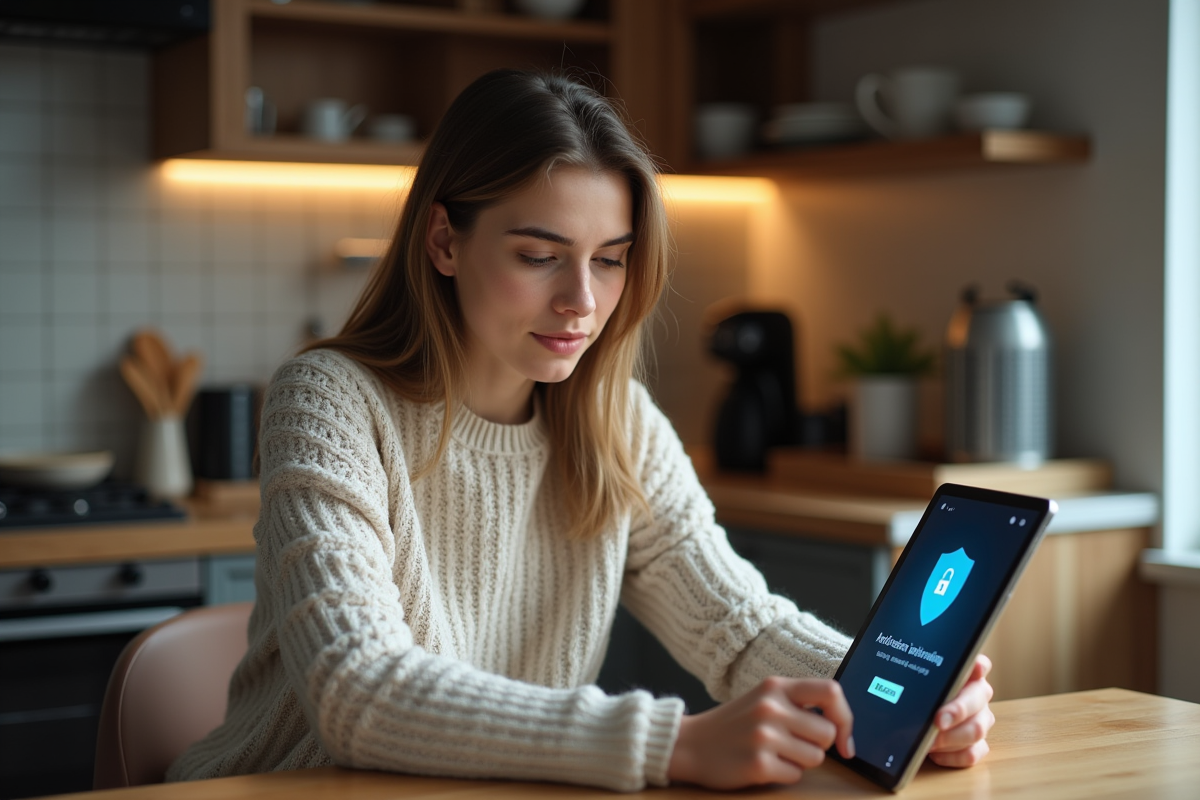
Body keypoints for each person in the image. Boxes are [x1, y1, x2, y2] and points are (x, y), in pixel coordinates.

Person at [167, 69, 994, 792]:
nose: (583, 302)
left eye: (609, 257)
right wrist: (671, 743)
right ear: (445, 240)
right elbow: (359, 691)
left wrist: (901, 696)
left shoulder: (615, 422)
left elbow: (738, 630)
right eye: (539, 255)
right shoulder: (330, 400)